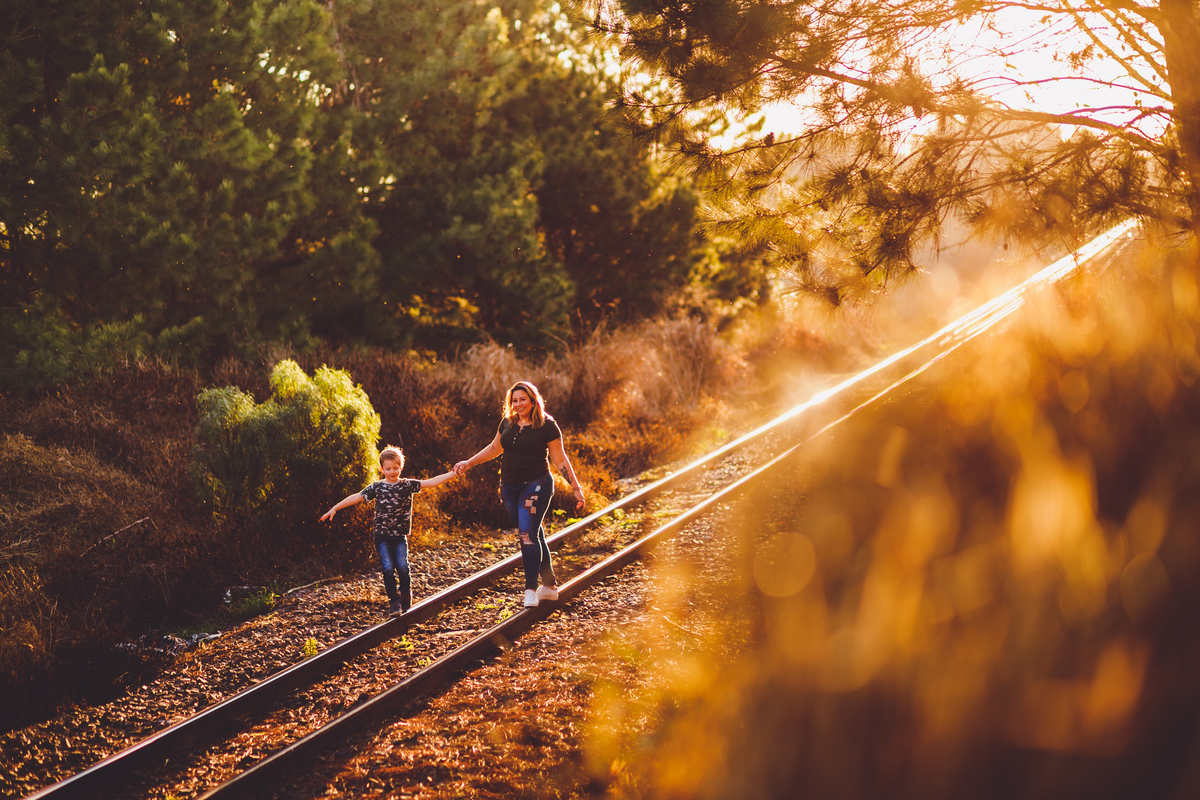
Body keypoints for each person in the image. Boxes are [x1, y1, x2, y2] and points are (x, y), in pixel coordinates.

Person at [454, 381, 586, 608]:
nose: (518, 404)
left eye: (522, 399)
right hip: (509, 487)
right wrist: (470, 462)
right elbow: (495, 449)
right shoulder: (507, 423)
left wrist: (576, 488)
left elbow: (560, 459)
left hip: (537, 484)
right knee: (533, 534)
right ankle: (550, 586)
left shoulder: (548, 426)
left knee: (526, 535)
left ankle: (530, 590)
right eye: (514, 400)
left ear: (533, 400)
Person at [321, 446, 456, 617]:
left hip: (399, 536)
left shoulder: (407, 485)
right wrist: (335, 508)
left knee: (402, 567)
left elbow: (431, 482)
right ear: (382, 469)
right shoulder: (377, 487)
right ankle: (394, 602)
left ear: (401, 467)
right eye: (388, 468)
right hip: (381, 535)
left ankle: (406, 595)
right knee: (387, 569)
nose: (392, 471)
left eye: (395, 467)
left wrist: (453, 473)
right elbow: (357, 497)